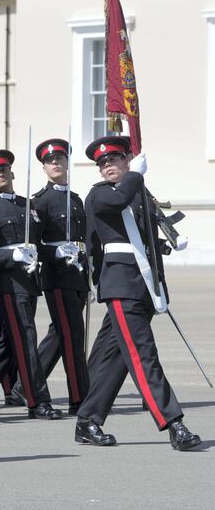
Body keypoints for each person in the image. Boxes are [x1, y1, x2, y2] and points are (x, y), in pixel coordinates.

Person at [74, 136, 200, 450]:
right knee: (144, 356)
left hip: (142, 286)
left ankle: (87, 420)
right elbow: (108, 219)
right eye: (102, 163)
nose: (107, 166)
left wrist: (160, 269)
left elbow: (148, 240)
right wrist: (136, 176)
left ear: (127, 159)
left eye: (114, 160)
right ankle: (174, 423)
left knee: (114, 358)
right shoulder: (99, 195)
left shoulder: (138, 194)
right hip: (120, 286)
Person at [0, 149, 62, 419]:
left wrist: (57, 251)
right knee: (25, 338)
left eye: (3, 171)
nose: (0, 175)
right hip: (7, 283)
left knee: (11, 341)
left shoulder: (28, 205)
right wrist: (12, 255)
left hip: (29, 281)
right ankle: (37, 401)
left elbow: (37, 244)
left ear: (12, 173)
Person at [26, 138, 89, 414]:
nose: (56, 164)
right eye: (50, 161)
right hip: (57, 277)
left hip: (78, 276)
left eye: (60, 159)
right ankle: (79, 397)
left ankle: (22, 382)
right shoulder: (40, 202)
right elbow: (33, 246)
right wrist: (56, 254)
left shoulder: (75, 200)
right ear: (44, 168)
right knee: (72, 336)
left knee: (66, 334)